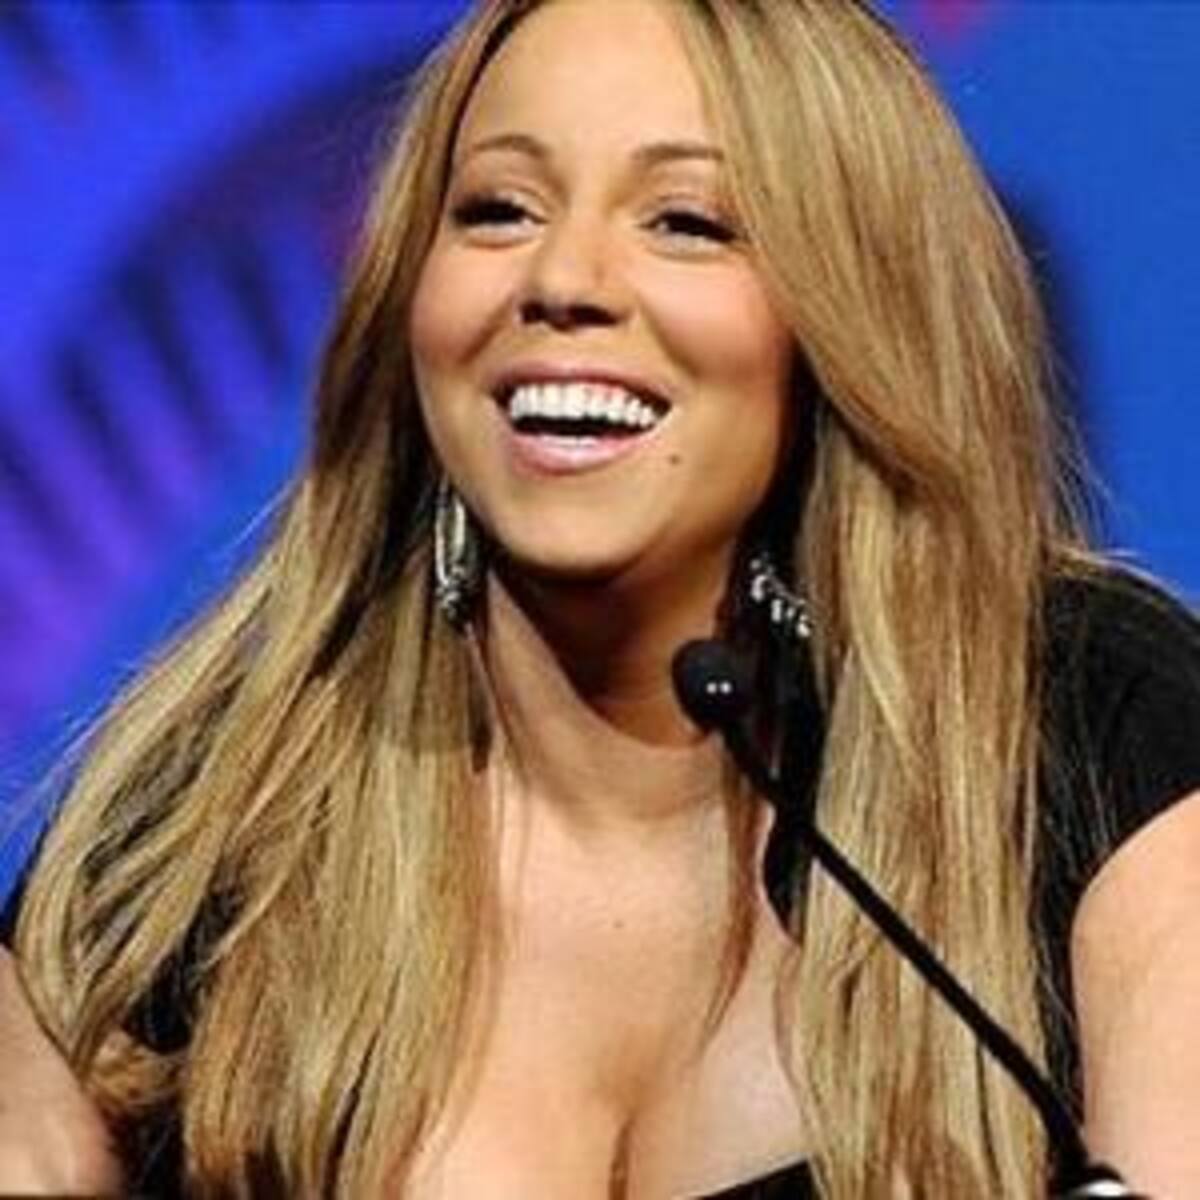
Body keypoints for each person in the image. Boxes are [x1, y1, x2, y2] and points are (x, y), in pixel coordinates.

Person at [3, 0, 1200, 1195]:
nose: (564, 280)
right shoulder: (209, 828)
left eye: (687, 222)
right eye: (498, 210)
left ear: (847, 311)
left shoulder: (1082, 724)